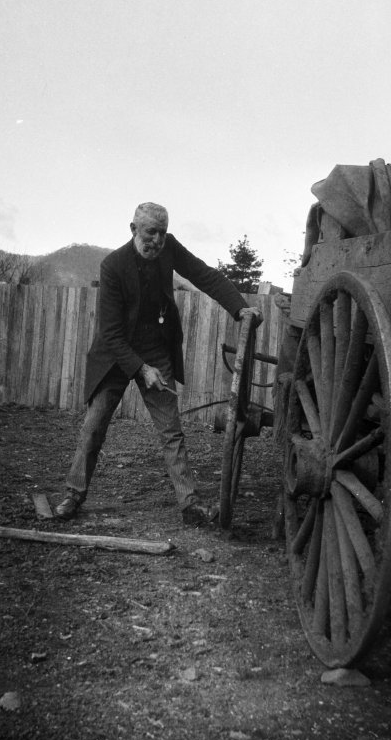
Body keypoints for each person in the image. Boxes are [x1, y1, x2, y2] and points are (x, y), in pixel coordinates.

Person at [55, 202, 262, 526]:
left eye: (163, 232)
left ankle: (190, 505)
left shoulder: (169, 249)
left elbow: (205, 275)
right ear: (133, 229)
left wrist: (240, 308)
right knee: (93, 427)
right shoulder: (113, 266)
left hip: (155, 349)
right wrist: (140, 370)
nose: (158, 240)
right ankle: (73, 494)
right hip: (115, 354)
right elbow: (110, 333)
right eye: (151, 232)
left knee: (171, 430)